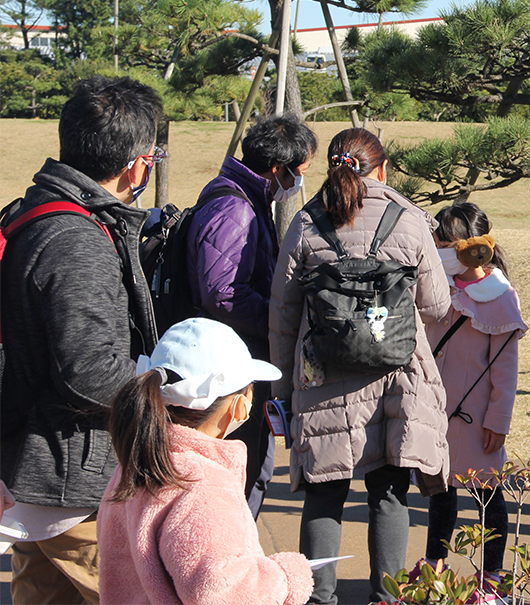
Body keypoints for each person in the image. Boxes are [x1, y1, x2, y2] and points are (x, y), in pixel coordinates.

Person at [269, 128, 451, 605]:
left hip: (322, 377)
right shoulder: (409, 220)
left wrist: (282, 393)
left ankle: (318, 596)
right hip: (395, 375)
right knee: (389, 493)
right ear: (383, 168)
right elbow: (435, 305)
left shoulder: (306, 222)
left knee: (324, 492)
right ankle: (387, 598)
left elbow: (284, 315)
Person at [0, 75, 162, 604]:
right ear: (138, 163)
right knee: (145, 594)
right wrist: (166, 395)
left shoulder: (35, 213)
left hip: (37, 473)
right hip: (70, 477)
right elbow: (90, 372)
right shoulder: (75, 238)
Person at [97, 318, 313, 605]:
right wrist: (287, 577)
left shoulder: (138, 461)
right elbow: (220, 590)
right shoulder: (204, 483)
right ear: (238, 406)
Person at [186, 112, 317, 518]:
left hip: (237, 357)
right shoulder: (235, 209)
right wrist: (279, 318)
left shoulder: (240, 196)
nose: (298, 183)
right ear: (278, 169)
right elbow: (222, 292)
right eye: (299, 173)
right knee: (240, 471)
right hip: (232, 364)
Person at [423, 203, 527, 594]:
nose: (439, 253)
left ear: (471, 248)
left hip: (477, 419)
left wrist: (498, 421)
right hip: (437, 413)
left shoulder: (499, 297)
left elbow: (505, 370)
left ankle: (493, 575)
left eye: (445, 245)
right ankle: (434, 566)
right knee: (440, 493)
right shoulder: (437, 285)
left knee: (488, 496)